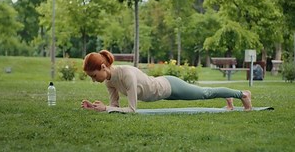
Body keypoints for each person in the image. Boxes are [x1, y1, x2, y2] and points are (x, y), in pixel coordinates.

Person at [81, 50, 252, 113]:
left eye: (94, 75)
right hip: (160, 93)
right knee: (205, 93)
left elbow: (132, 109)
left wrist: (107, 108)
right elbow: (116, 108)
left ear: (103, 67)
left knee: (204, 93)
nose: (94, 80)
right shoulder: (109, 81)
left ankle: (242, 94)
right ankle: (228, 100)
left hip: (169, 86)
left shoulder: (127, 75)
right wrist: (99, 108)